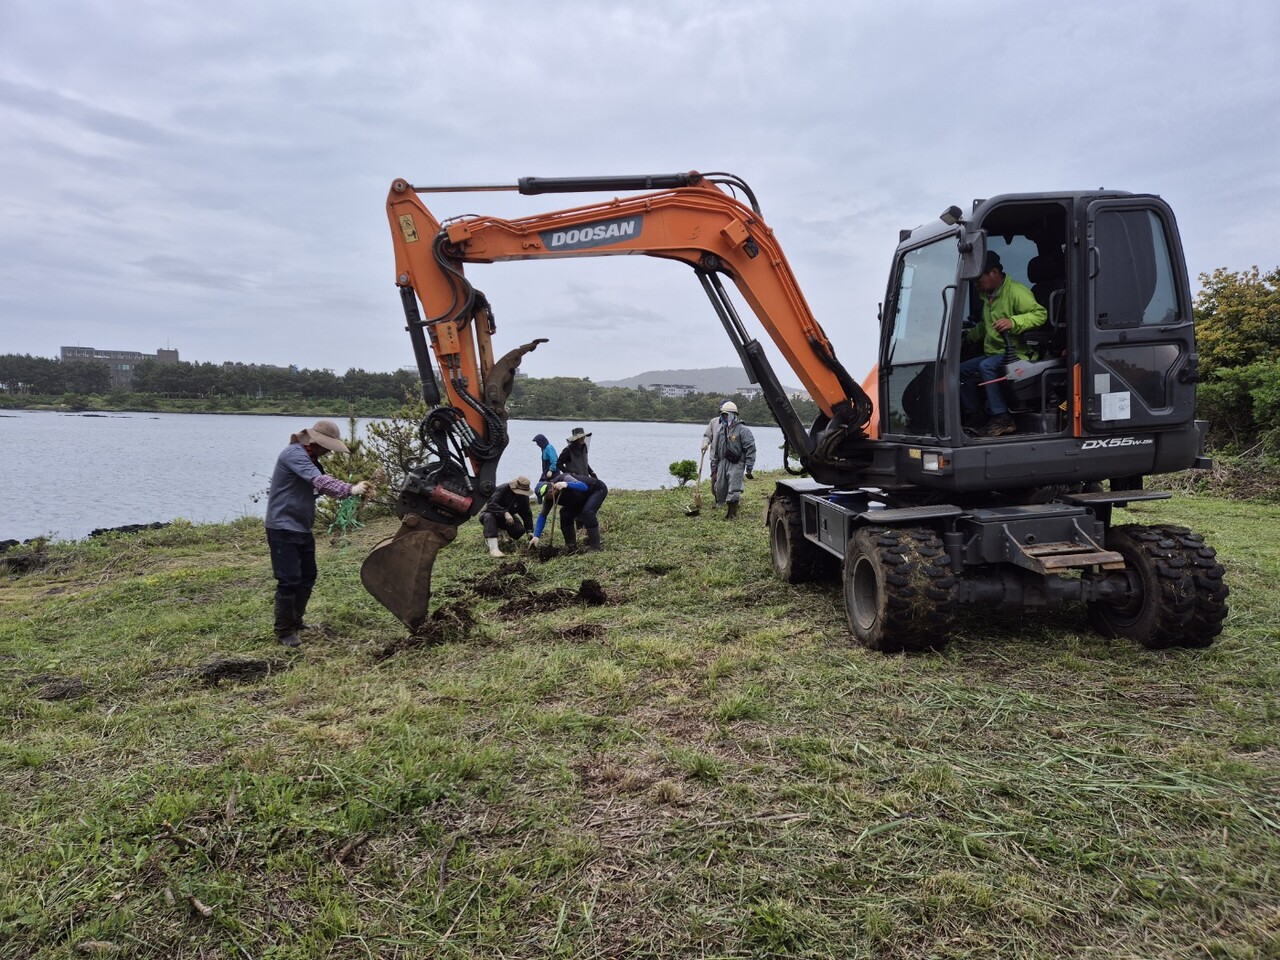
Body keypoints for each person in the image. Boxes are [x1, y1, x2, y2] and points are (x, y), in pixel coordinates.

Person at [264, 419, 370, 648]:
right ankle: (284, 630)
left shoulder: (310, 457)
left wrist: (350, 491)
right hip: (282, 526)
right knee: (289, 578)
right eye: (326, 447)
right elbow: (320, 482)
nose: (328, 452)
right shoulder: (294, 455)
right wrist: (350, 489)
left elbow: (318, 485)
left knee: (308, 575)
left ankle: (296, 621)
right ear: (314, 441)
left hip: (301, 526)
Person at [960, 251, 1047, 437]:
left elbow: (1040, 315)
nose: (975, 283)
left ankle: (1002, 419)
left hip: (1019, 352)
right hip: (995, 352)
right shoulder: (988, 297)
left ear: (994, 272)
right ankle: (976, 414)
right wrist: (967, 338)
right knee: (960, 371)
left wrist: (1013, 322)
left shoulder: (1016, 292)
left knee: (986, 367)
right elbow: (986, 325)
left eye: (978, 278)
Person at [533, 471, 608, 551]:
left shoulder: (564, 478)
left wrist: (566, 484)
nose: (546, 499)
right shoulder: (549, 499)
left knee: (587, 512)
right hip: (580, 499)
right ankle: (571, 545)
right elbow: (543, 515)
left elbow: (584, 487)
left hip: (596, 490)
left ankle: (595, 546)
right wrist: (536, 536)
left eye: (546, 496)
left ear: (551, 491)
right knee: (564, 514)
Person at [710, 403, 756, 519]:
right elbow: (716, 447)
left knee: (734, 487)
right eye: (723, 415)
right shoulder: (721, 430)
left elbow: (750, 448)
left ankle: (732, 514)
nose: (725, 418)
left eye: (727, 415)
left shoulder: (743, 430)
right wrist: (714, 463)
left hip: (737, 463)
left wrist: (749, 466)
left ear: (734, 415)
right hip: (722, 462)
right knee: (720, 487)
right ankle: (722, 504)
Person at [481, 476, 535, 558]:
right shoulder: (503, 489)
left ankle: (503, 533)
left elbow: (527, 513)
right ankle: (494, 549)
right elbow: (491, 504)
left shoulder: (524, 497)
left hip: (508, 518)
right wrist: (504, 512)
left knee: (519, 531)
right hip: (491, 513)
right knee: (489, 517)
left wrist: (529, 531)